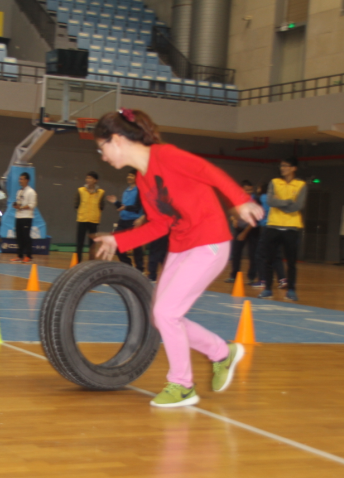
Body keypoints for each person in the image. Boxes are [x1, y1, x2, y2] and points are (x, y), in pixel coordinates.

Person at [92, 108, 263, 408]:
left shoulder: (166, 156)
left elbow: (210, 173)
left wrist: (242, 200)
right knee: (163, 315)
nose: (102, 156)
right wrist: (118, 240)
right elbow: (160, 225)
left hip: (210, 241)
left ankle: (182, 385)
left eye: (101, 147)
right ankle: (223, 353)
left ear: (116, 139)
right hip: (181, 246)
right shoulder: (144, 182)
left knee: (167, 314)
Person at [258, 158, 307, 302]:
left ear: (294, 168)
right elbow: (270, 201)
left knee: (291, 261)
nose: (282, 168)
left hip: (291, 227)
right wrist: (287, 202)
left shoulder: (301, 185)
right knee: (269, 259)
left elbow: (299, 205)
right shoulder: (274, 182)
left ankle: (291, 290)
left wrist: (281, 204)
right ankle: (267, 288)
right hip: (273, 225)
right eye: (281, 165)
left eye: (286, 165)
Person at [250, 182, 287, 289]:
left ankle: (263, 280)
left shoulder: (262, 198)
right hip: (278, 228)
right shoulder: (275, 199)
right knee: (276, 255)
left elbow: (255, 207)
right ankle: (282, 279)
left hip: (267, 229)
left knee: (260, 254)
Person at [107, 169, 145, 273]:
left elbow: (137, 207)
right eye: (128, 175)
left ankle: (140, 269)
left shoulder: (139, 190)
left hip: (133, 221)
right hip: (123, 221)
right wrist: (116, 202)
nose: (129, 177)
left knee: (136, 247)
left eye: (132, 176)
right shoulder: (126, 191)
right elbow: (122, 207)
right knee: (116, 244)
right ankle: (127, 265)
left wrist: (124, 208)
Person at [225, 180, 260, 284]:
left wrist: (244, 233)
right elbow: (231, 211)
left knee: (253, 254)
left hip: (252, 229)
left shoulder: (255, 200)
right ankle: (234, 276)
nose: (249, 192)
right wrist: (234, 219)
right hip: (239, 228)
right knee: (236, 253)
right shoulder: (236, 198)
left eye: (250, 190)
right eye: (246, 190)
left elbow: (255, 219)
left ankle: (252, 277)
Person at [74, 171, 105, 263]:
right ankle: (78, 262)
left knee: (92, 244)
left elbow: (102, 206)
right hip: (82, 220)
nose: (88, 180)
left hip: (94, 221)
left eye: (90, 178)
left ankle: (90, 263)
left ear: (96, 180)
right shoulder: (80, 190)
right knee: (79, 243)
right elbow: (76, 204)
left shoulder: (101, 192)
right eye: (87, 178)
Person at [11, 172, 37, 263]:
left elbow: (32, 205)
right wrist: (16, 205)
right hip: (18, 216)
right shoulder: (19, 191)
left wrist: (21, 207)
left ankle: (28, 256)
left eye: (22, 179)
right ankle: (19, 255)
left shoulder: (31, 192)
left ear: (27, 180)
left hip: (27, 217)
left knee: (26, 237)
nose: (20, 180)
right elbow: (19, 202)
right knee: (19, 237)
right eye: (19, 179)